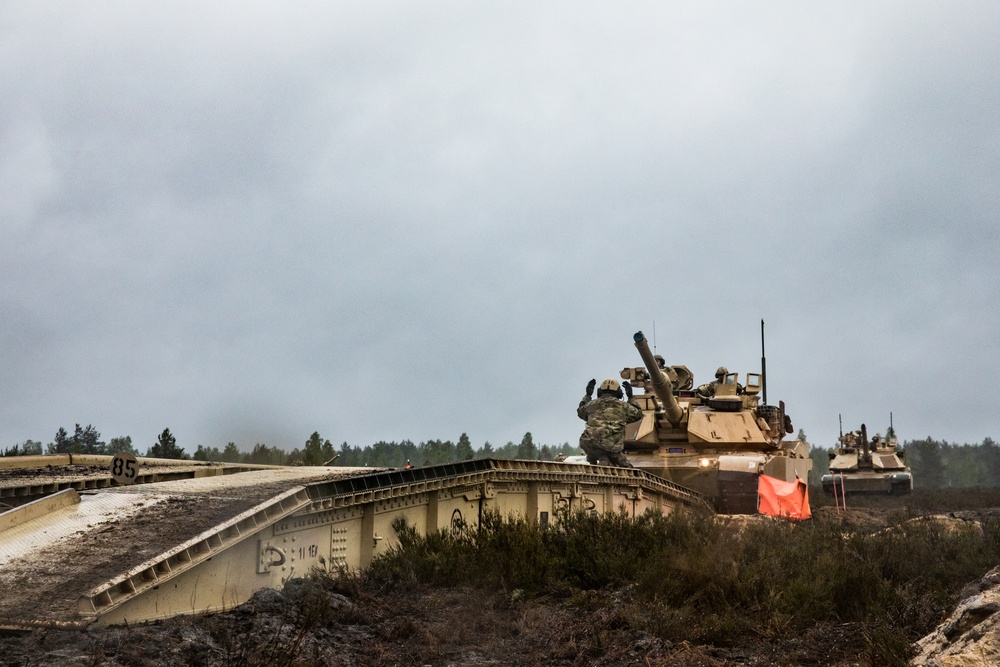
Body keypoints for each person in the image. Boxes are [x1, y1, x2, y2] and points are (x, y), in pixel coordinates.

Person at [577, 377, 643, 467]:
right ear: (619, 393)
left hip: (588, 444)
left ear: (599, 392)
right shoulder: (623, 407)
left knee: (602, 454)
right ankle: (604, 458)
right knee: (631, 471)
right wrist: (630, 397)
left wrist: (588, 396)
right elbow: (638, 414)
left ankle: (601, 458)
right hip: (611, 447)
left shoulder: (591, 405)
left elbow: (581, 412)